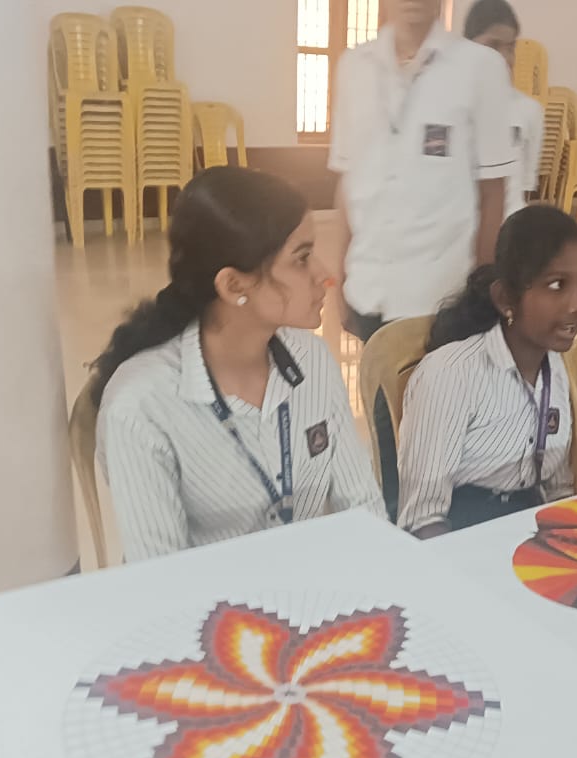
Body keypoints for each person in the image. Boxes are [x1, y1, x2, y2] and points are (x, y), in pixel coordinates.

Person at [91, 167, 385, 563]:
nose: (325, 275)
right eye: (301, 259)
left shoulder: (312, 361)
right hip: (211, 602)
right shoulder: (141, 406)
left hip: (313, 589)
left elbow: (362, 510)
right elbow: (162, 576)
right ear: (233, 285)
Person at [396, 206, 577, 537]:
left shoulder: (555, 368)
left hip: (531, 535)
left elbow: (558, 491)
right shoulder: (450, 375)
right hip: (460, 539)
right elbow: (422, 520)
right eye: (556, 285)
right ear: (506, 298)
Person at [329, 0, 516, 343]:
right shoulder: (354, 67)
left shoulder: (480, 68)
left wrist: (480, 296)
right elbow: (347, 181)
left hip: (440, 297)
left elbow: (493, 192)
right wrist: (339, 280)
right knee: (376, 379)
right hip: (367, 289)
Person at [464, 0, 544, 218]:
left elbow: (524, 185)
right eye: (493, 46)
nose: (504, 58)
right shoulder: (450, 107)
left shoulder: (529, 111)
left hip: (508, 228)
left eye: (510, 48)